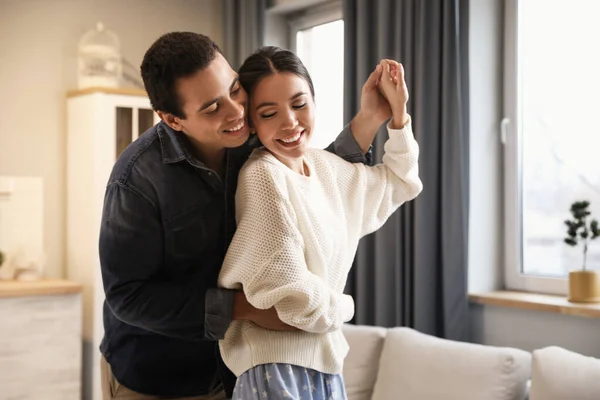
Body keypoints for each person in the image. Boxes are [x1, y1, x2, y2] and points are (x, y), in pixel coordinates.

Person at [98, 32, 394, 400]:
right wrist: (243, 308)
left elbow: (313, 178)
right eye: (212, 108)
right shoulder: (137, 181)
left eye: (235, 89)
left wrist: (369, 119)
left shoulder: (250, 136)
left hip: (234, 370)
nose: (237, 112)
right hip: (156, 376)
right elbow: (126, 295)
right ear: (173, 119)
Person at [217, 47, 422, 399]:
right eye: (269, 113)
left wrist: (397, 116)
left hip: (325, 366)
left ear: (314, 100)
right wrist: (345, 307)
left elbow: (400, 181)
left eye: (299, 104)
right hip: (275, 370)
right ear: (251, 122)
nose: (290, 123)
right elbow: (293, 298)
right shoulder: (263, 176)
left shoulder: (324, 167)